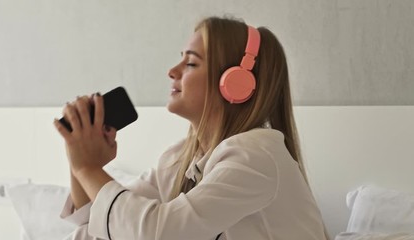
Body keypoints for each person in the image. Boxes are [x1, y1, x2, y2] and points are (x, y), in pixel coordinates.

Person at [54, 16, 328, 240]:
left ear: (236, 82)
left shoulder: (256, 155)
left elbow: (158, 234)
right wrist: (78, 155)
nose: (172, 71)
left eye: (191, 63)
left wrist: (87, 169)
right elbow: (103, 225)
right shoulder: (180, 159)